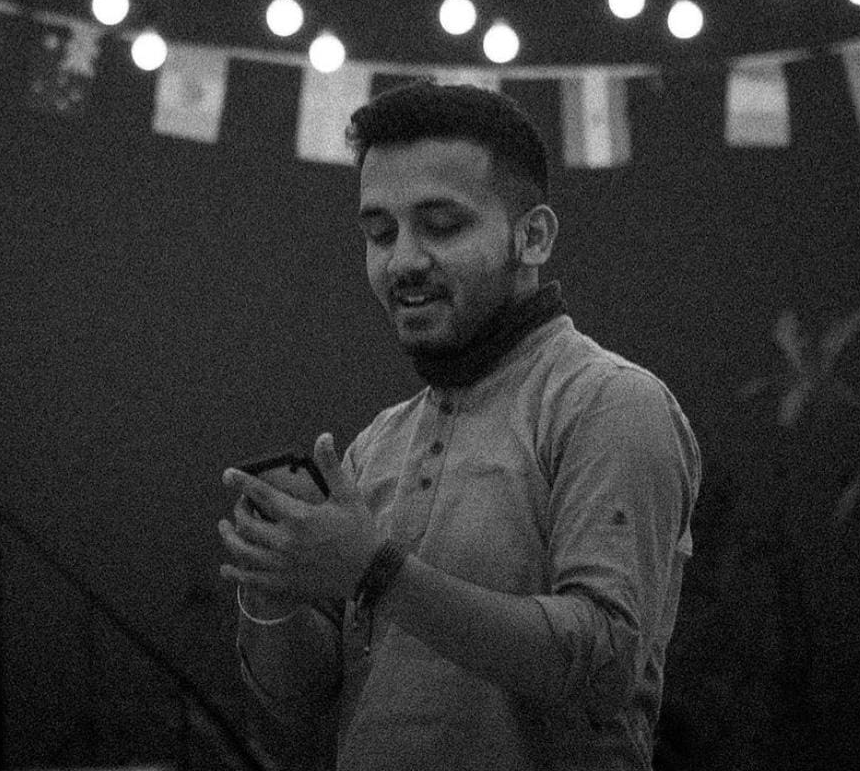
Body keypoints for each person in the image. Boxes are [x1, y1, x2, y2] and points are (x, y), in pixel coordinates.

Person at [218, 80, 701, 771]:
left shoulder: (610, 403)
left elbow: (602, 667)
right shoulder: (379, 442)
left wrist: (376, 569)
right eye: (379, 232)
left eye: (441, 225)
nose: (403, 260)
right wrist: (273, 583)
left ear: (531, 236)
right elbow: (301, 698)